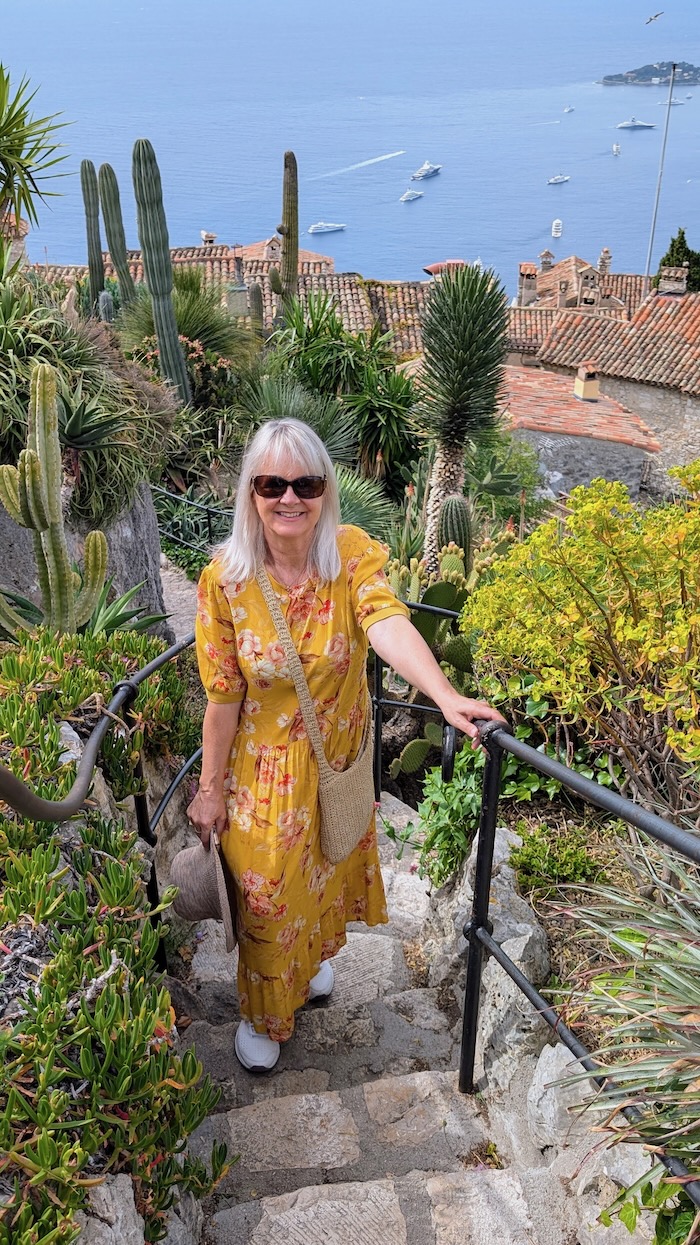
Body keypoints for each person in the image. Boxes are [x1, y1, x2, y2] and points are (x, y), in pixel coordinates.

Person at [187, 417, 504, 1072]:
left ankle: (310, 970)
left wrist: (442, 694)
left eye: (305, 483)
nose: (289, 499)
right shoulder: (226, 581)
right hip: (266, 778)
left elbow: (386, 621)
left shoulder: (352, 555)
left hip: (337, 763)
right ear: (251, 492)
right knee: (270, 899)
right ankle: (267, 1012)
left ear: (325, 490)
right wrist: (210, 788)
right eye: (272, 483)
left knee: (327, 873)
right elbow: (222, 697)